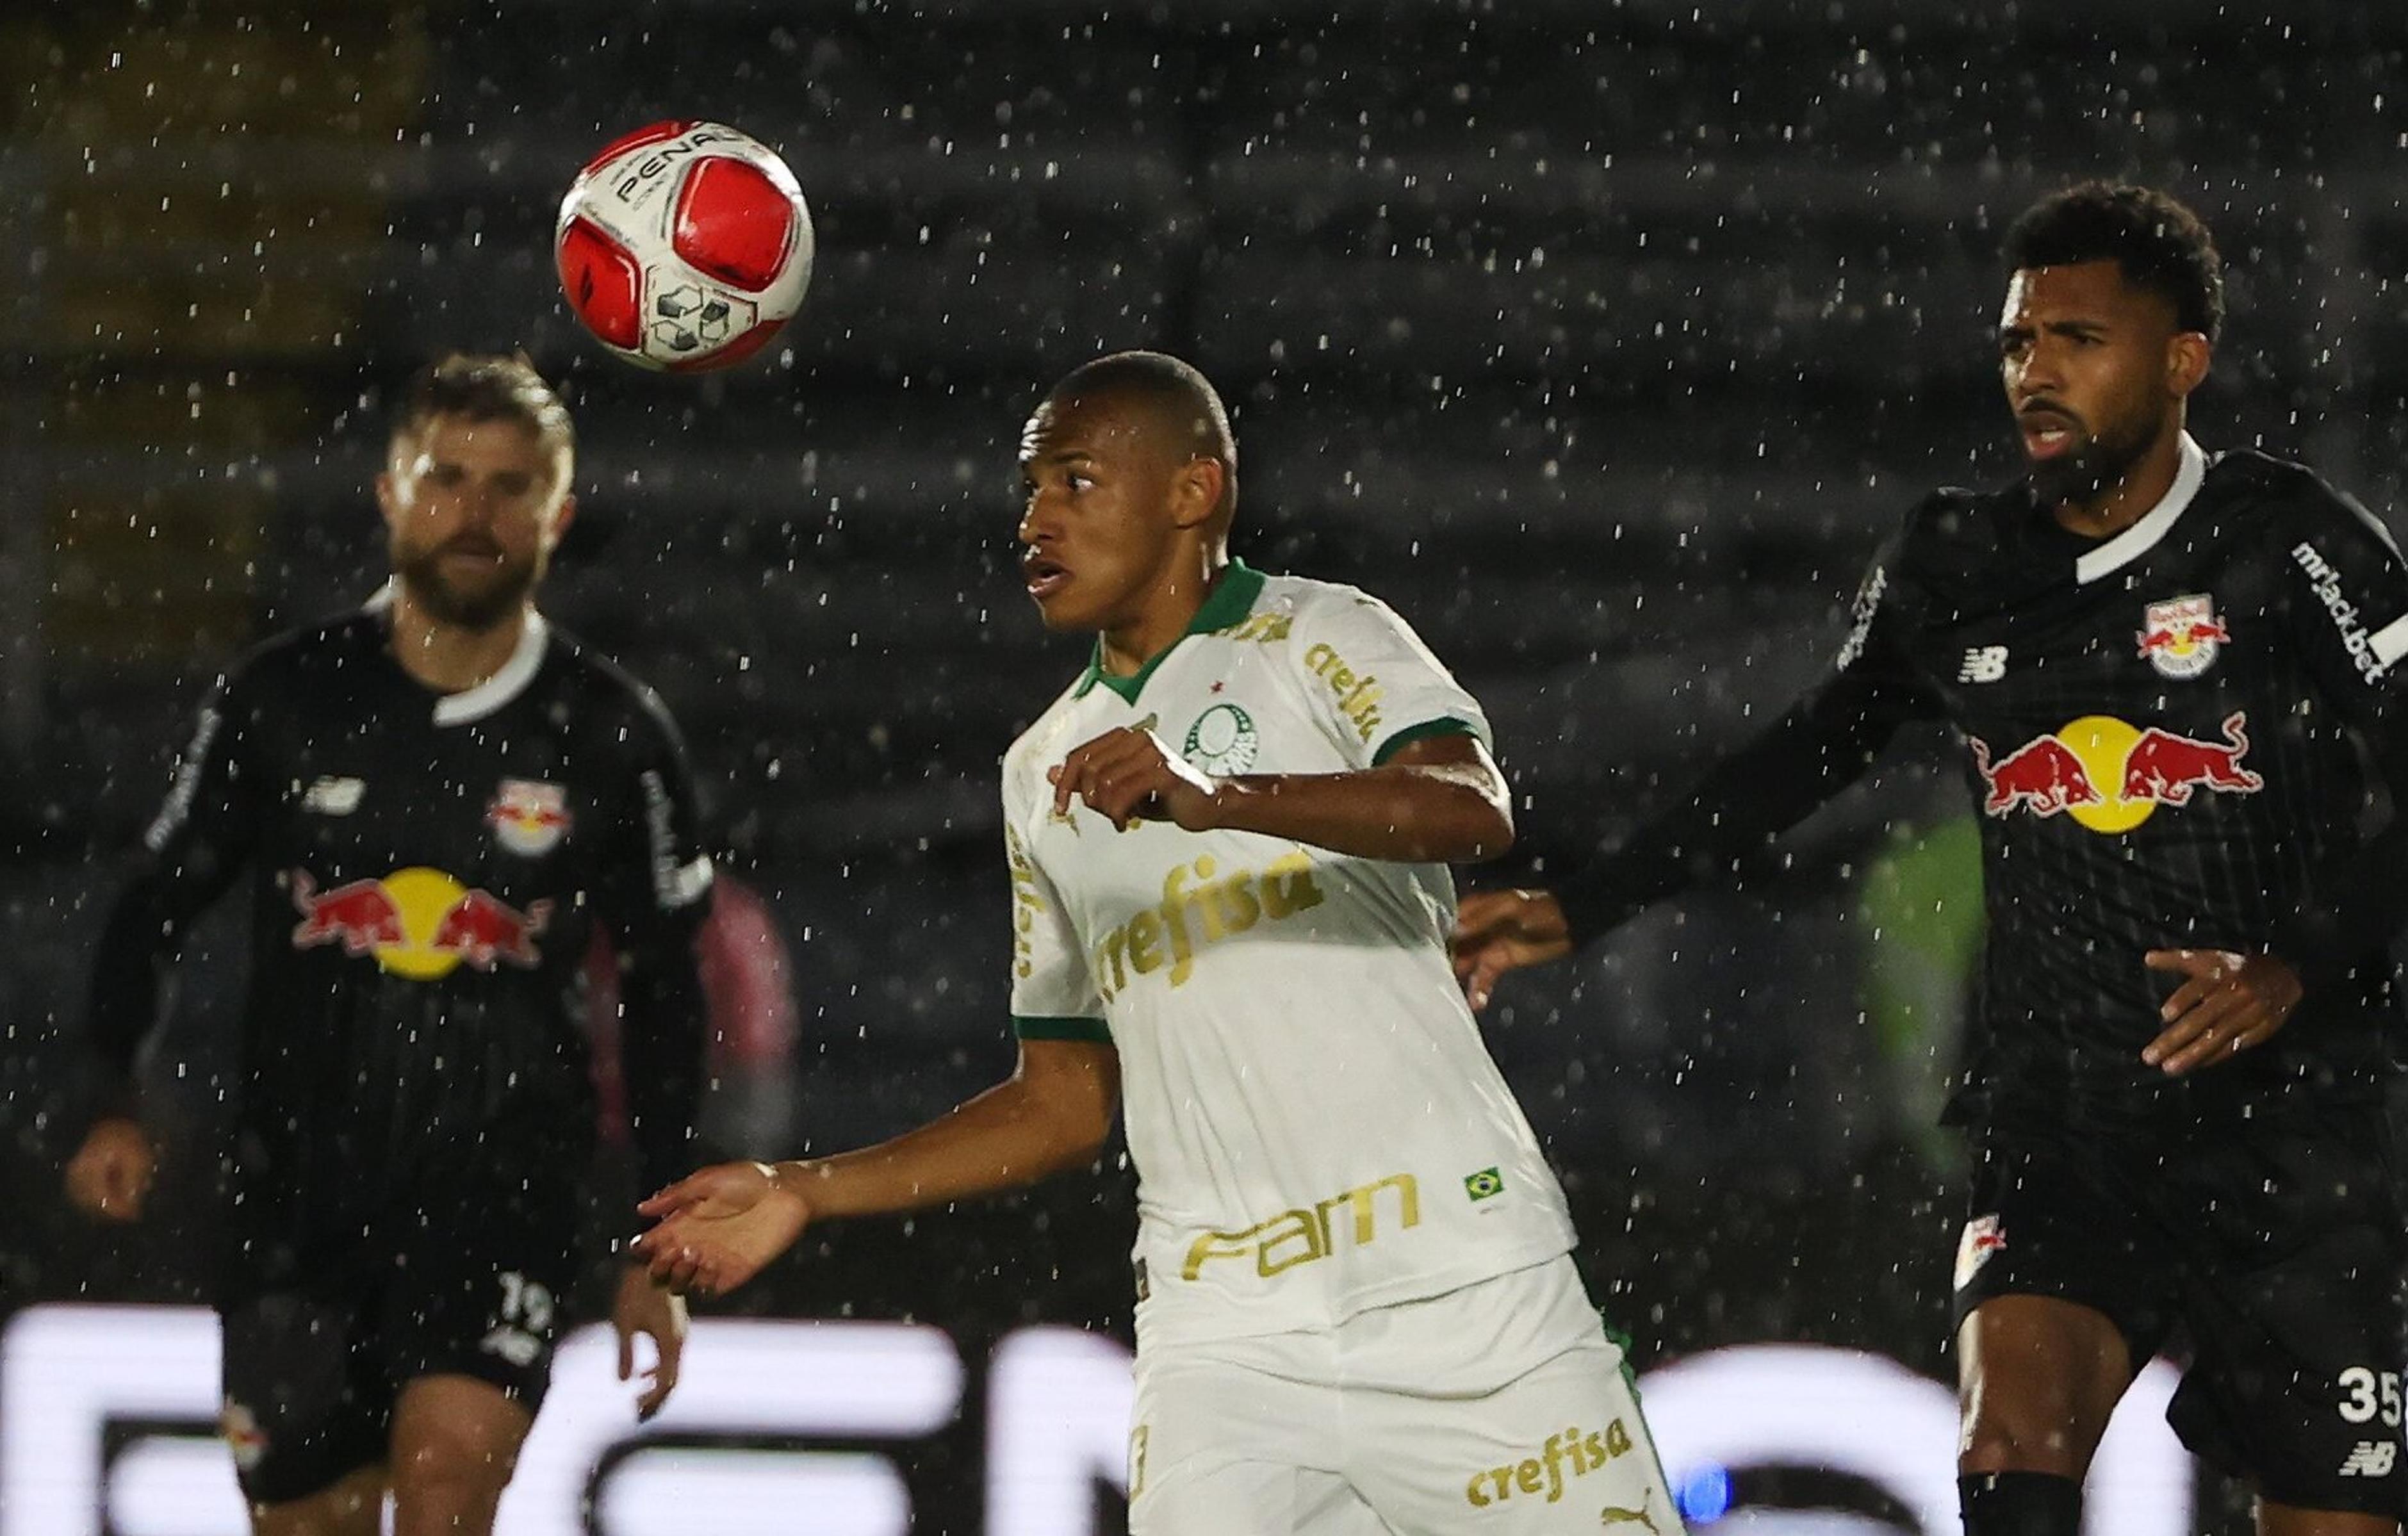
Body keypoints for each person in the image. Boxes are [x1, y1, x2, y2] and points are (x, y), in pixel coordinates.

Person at [1453, 182, 2408, 1536]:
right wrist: (1589, 902)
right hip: (2062, 1122)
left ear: (2182, 364)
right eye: (2017, 340)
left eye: (2078, 339)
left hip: (2285, 1130)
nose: (2035, 371)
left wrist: (2293, 965)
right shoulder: (1957, 562)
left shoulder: (2293, 546)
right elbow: (1803, 755)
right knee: (2010, 1447)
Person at [633, 350, 1686, 1535]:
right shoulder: (1041, 769)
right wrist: (805, 1188)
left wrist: (1216, 794)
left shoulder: (1319, 633)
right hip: (1225, 1342)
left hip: (1465, 1285)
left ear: (1193, 491)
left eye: (1075, 481)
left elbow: (1468, 803)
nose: (1034, 519)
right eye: (1029, 490)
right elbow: (1064, 1102)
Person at [63, 354, 716, 1536]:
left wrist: (657, 1248)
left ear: (559, 513)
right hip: (296, 1187)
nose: (477, 511)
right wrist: (109, 1091)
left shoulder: (610, 733)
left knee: (450, 1478)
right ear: (387, 492)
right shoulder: (282, 698)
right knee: (308, 1520)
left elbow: (668, 989)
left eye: (511, 486)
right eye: (447, 477)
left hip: (503, 1183)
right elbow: (154, 901)